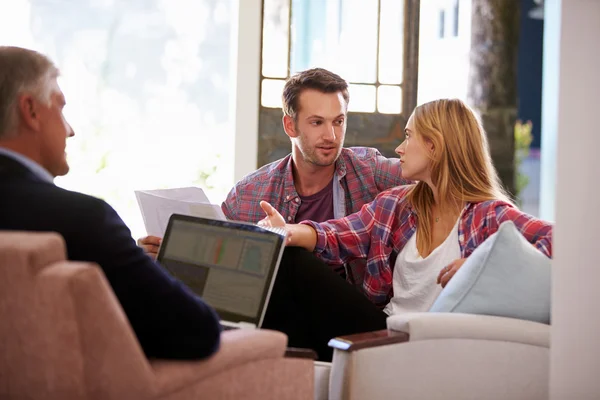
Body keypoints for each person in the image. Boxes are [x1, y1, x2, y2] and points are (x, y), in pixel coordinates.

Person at [257, 98, 553, 361]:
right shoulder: (397, 205)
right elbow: (337, 234)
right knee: (286, 259)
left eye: (409, 136)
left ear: (434, 146)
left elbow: (562, 244)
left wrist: (485, 267)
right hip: (385, 332)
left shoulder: (488, 216)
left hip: (434, 347)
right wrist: (288, 232)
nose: (399, 147)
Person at [0, 46, 221, 360]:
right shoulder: (81, 220)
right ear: (31, 111)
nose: (70, 130)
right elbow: (196, 331)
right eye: (60, 109)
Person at [139, 68, 411, 277]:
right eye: (317, 122)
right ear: (289, 126)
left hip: (354, 313)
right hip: (281, 316)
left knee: (288, 252)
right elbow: (219, 267)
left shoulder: (369, 170)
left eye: (338, 122)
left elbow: (441, 175)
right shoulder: (249, 194)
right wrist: (170, 255)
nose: (331, 135)